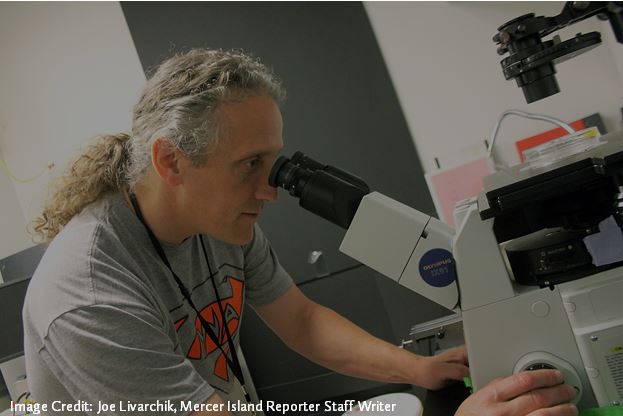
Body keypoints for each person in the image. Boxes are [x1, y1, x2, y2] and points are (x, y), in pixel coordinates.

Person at [23, 48, 577, 416]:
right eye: (249, 164)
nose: (269, 188)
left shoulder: (220, 220)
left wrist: (419, 368)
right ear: (171, 161)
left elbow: (303, 321)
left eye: (273, 163)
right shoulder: (89, 297)